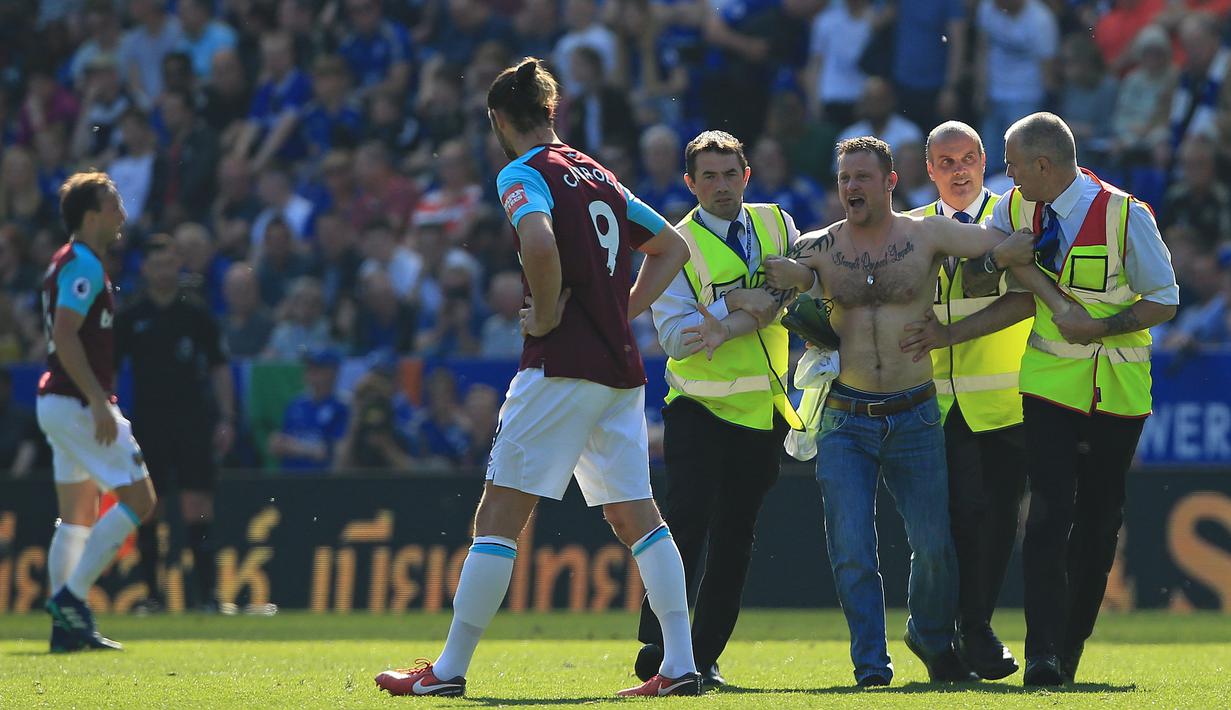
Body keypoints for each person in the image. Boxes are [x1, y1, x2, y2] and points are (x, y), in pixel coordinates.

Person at [373, 57, 698, 698]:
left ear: (498, 120)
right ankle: (682, 663)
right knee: (638, 516)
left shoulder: (523, 173)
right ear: (552, 112)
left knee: (497, 516)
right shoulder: (599, 174)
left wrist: (546, 316)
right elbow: (672, 248)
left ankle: (448, 671)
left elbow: (541, 245)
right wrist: (616, 310)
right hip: (617, 369)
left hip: (560, 366)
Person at [746, 136, 1048, 687]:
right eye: (844, 179)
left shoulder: (924, 234)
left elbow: (998, 240)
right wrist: (780, 290)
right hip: (846, 416)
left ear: (890, 181)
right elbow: (771, 288)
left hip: (916, 414)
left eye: (863, 177)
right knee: (852, 547)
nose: (851, 187)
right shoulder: (819, 246)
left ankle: (930, 637)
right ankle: (870, 666)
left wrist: (1006, 252)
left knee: (935, 545)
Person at [900, 113, 1179, 686]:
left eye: (1013, 164)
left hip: (1119, 392)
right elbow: (988, 283)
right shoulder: (1014, 210)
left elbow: (1165, 299)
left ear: (1043, 166)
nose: (1006, 176)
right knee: (1050, 512)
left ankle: (1068, 650)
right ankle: (1043, 654)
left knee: (1100, 524)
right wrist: (1003, 264)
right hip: (1047, 382)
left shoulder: (1127, 216)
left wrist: (1100, 328)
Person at [633, 129, 803, 689]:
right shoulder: (673, 244)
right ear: (690, 183)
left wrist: (736, 318)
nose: (722, 186)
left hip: (763, 410)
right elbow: (678, 339)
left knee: (736, 537)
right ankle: (658, 649)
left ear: (747, 175)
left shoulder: (778, 222)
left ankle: (704, 657)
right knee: (684, 527)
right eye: (709, 176)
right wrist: (735, 300)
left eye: (731, 174)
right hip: (699, 409)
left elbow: (798, 293)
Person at [906, 121, 1029, 680]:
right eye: (946, 162)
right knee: (955, 521)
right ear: (929, 170)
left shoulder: (1012, 218)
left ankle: (967, 627)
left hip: (1004, 399)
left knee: (999, 519)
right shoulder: (909, 230)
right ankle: (964, 631)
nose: (959, 171)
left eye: (967, 159)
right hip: (936, 404)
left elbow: (1029, 300)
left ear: (984, 161)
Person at [38, 171, 158, 651]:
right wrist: (96, 400)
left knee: (76, 519)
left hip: (57, 402)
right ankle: (70, 599)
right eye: (113, 206)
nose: (121, 215)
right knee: (141, 500)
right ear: (91, 217)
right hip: (76, 401)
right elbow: (66, 336)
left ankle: (64, 626)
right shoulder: (84, 265)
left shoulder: (64, 261)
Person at [114, 234, 235, 613]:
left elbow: (219, 367)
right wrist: (113, 419)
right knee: (151, 506)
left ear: (178, 266)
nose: (165, 271)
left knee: (198, 504)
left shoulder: (195, 314)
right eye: (158, 264)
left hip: (193, 420)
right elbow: (112, 372)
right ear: (145, 269)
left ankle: (207, 597)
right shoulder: (131, 317)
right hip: (148, 422)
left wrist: (226, 417)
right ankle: (152, 595)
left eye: (171, 263)